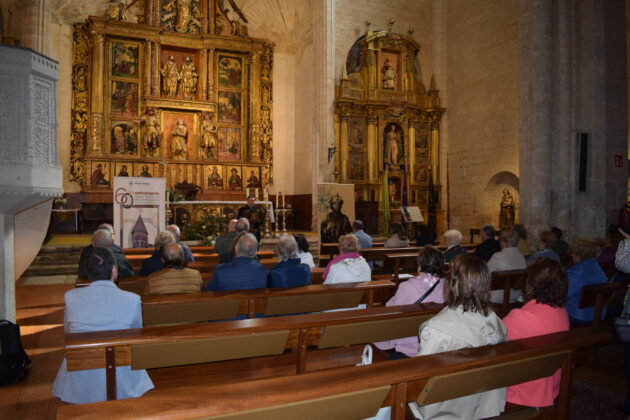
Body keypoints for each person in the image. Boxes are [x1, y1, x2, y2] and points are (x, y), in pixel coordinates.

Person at [52, 247, 154, 403]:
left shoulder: (71, 297)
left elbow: (68, 333)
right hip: (122, 370)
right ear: (114, 270)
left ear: (88, 272)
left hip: (81, 371)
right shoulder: (132, 299)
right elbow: (136, 333)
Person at [415, 254, 507, 419]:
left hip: (444, 408)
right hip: (482, 403)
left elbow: (421, 376)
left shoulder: (436, 329)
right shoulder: (494, 321)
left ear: (451, 284)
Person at [502, 258, 569, 408]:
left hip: (523, 391)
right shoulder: (562, 312)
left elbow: (494, 346)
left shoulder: (520, 317)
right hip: (551, 386)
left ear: (531, 284)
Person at [374, 246, 445, 358]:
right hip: (436, 340)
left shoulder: (407, 287)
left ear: (419, 265)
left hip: (410, 342)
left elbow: (391, 309)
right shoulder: (447, 286)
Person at [566, 239, 609, 324]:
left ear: (576, 256)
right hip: (599, 314)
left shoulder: (575, 272)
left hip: (579, 316)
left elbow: (563, 293)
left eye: (573, 253)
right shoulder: (597, 267)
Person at [487, 227, 527, 304]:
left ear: (503, 242)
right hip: (515, 295)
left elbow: (485, 275)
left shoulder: (497, 256)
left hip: (496, 297)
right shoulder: (521, 256)